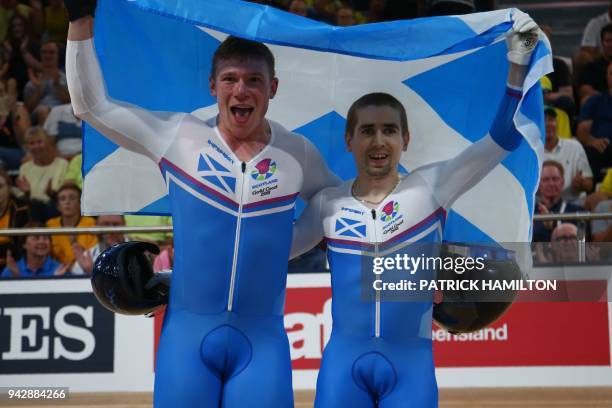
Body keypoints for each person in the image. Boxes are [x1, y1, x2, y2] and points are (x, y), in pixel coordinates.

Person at [64, 1, 339, 406]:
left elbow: (339, 205)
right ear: (212, 86)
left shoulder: (297, 153)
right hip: (186, 340)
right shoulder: (178, 138)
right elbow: (92, 107)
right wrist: (79, 21)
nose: (240, 90)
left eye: (253, 80)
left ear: (273, 88)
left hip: (262, 344)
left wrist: (288, 245)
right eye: (229, 79)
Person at [291, 11, 539, 407]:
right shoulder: (327, 204)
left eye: (389, 130)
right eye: (367, 130)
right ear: (349, 139)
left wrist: (518, 64)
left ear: (404, 139)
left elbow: (501, 140)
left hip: (410, 369)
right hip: (342, 367)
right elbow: (268, 253)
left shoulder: (430, 189)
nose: (378, 140)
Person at [542, 106, 593, 204]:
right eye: (543, 120)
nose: (547, 124)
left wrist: (581, 184)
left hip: (572, 203)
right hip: (542, 205)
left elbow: (589, 184)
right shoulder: (531, 152)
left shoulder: (574, 146)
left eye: (551, 120)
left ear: (556, 124)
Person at [45, 182, 97, 267]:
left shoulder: (91, 223)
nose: (67, 202)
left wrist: (74, 244)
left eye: (72, 198)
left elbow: (93, 253)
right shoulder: (50, 225)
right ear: (58, 206)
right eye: (62, 199)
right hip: (57, 271)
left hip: (83, 270)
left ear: (80, 203)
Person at [532, 160, 584, 243]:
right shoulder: (530, 213)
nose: (551, 183)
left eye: (555, 179)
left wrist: (551, 226)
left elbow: (582, 242)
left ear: (562, 182)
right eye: (545, 180)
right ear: (538, 184)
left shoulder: (578, 212)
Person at [0, 220, 66, 278]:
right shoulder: (11, 270)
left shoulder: (59, 270)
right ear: (24, 244)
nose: (42, 242)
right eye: (36, 238)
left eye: (45, 238)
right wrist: (16, 277)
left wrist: (57, 280)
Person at [0, 169, 29, 270]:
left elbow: (20, 248)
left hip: (13, 266)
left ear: (8, 188)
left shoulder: (22, 210)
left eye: (0, 186)